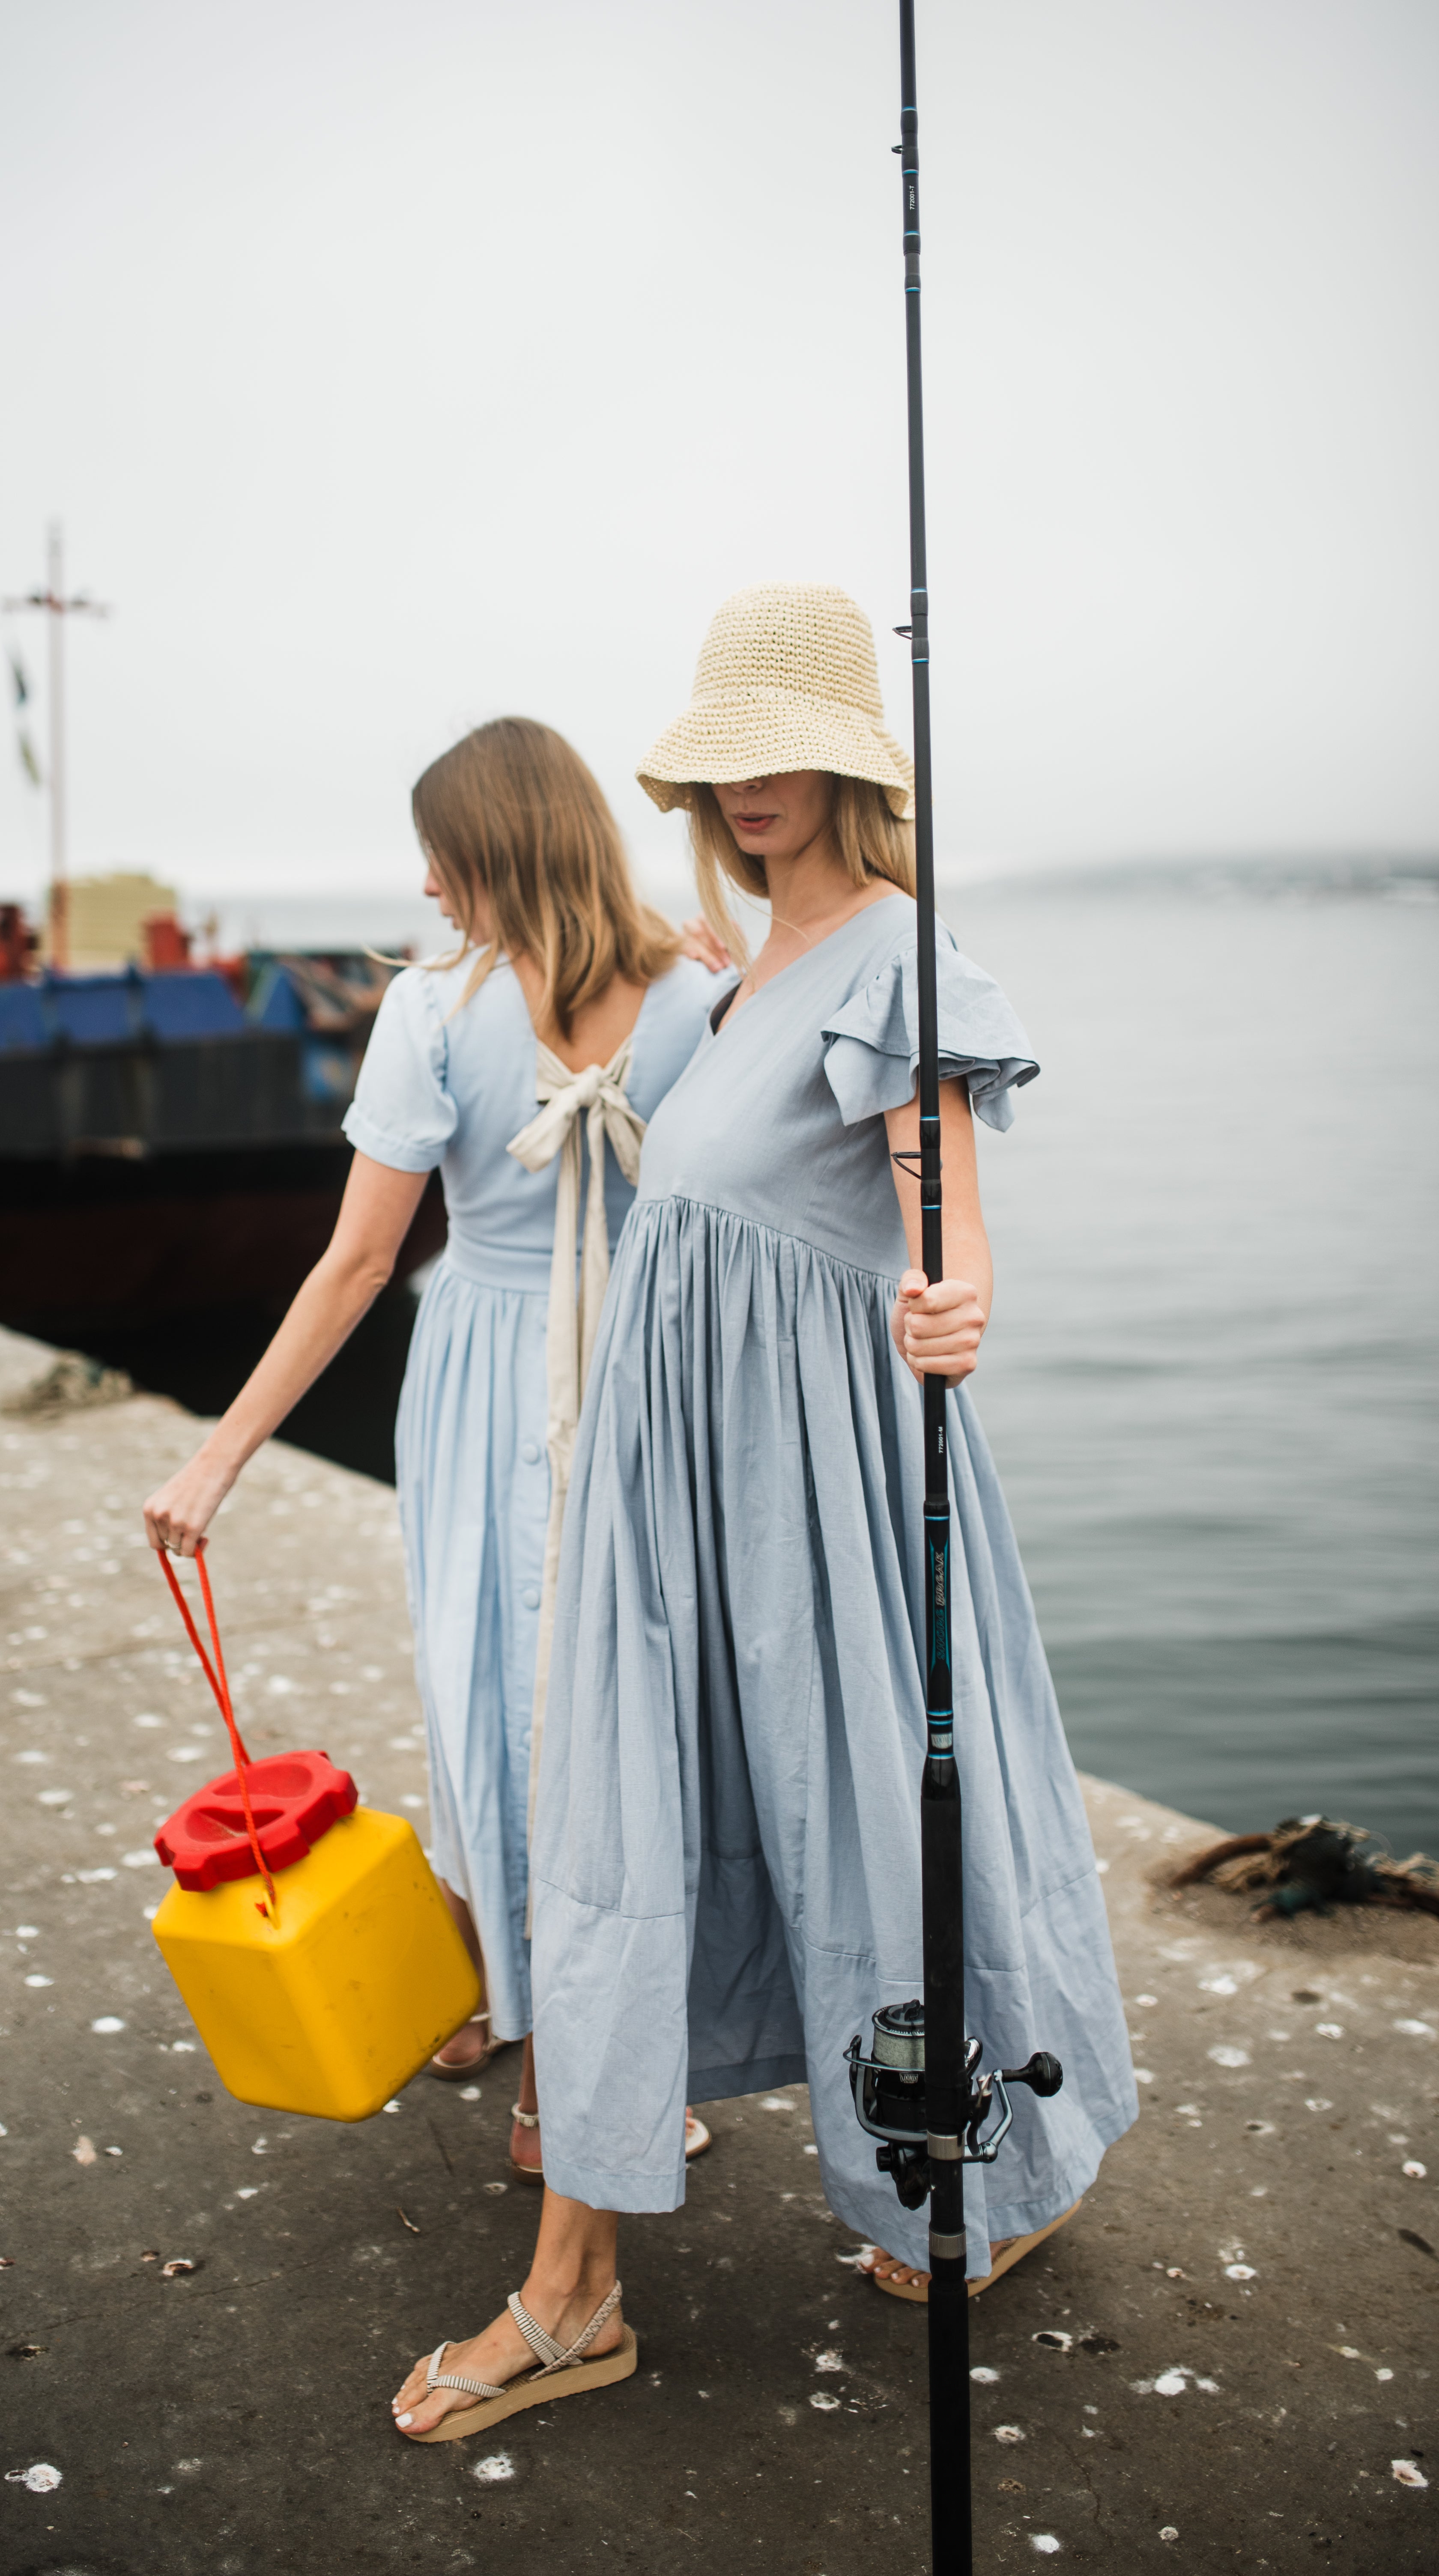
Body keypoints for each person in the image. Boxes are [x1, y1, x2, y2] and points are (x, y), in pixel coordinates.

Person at [390, 586, 1137, 2441]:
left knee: (857, 1821)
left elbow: (930, 1197)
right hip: (676, 1491)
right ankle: (639, 2264)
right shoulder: (731, 980)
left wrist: (956, 1299)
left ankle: (934, 2185)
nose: (748, 787)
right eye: (723, 756)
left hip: (808, 1493)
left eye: (782, 754)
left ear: (848, 767)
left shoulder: (894, 954)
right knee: (640, 1826)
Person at [143, 715, 725, 2181]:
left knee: (491, 1690)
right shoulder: (694, 994)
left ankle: (548, 2054)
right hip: (640, 1369)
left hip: (483, 1371)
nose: (424, 887)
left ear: (495, 854)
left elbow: (353, 1270)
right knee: (616, 1709)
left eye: (443, 856)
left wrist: (217, 1459)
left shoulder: (430, 1014)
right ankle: (550, 2009)